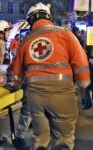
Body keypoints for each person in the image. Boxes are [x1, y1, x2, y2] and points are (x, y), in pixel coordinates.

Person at [12, 2, 92, 150]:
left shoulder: (26, 41)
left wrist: (15, 86)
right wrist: (85, 89)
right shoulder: (65, 33)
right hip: (62, 94)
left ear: (30, 21)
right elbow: (80, 62)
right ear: (48, 17)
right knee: (63, 138)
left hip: (35, 98)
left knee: (41, 138)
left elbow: (16, 73)